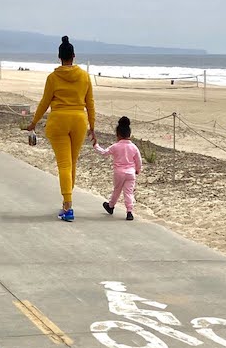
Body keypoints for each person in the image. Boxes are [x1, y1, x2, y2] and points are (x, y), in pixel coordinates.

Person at [25, 36, 96, 222]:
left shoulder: (53, 77)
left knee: (64, 164)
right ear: (73, 55)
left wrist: (34, 122)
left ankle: (68, 206)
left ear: (59, 57)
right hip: (79, 121)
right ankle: (67, 201)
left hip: (59, 120)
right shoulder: (84, 76)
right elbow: (90, 103)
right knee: (72, 163)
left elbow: (44, 103)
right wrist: (93, 127)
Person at [94, 116, 142, 221]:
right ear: (129, 134)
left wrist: (96, 145)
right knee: (128, 192)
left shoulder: (115, 146)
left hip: (119, 173)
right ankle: (129, 212)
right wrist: (138, 170)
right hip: (130, 173)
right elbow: (138, 161)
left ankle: (111, 206)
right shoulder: (134, 147)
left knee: (117, 190)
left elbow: (104, 152)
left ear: (118, 134)